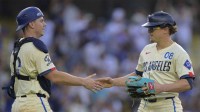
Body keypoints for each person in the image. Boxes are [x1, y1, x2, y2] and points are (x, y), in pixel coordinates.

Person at [97, 11, 195, 112]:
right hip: (145, 105)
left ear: (165, 29)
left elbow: (188, 83)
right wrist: (113, 82)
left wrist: (162, 88)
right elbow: (138, 76)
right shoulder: (147, 49)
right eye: (149, 28)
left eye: (152, 28)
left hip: (167, 105)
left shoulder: (179, 52)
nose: (149, 31)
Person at [9, 6, 102, 112]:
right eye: (41, 21)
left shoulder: (17, 48)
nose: (45, 24)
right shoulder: (35, 46)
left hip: (17, 105)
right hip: (34, 104)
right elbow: (55, 76)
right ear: (31, 24)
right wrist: (83, 81)